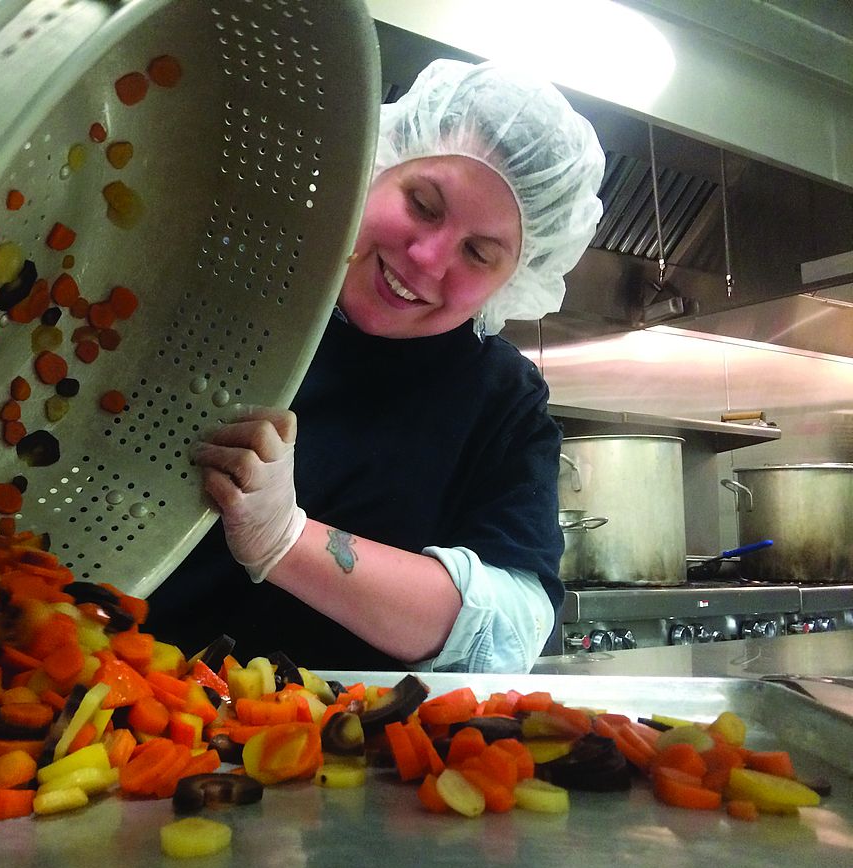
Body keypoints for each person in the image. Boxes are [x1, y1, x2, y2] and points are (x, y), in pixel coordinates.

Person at [145, 58, 606, 674]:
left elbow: (508, 627)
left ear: (513, 282)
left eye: (478, 252)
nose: (427, 259)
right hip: (112, 708)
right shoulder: (231, 294)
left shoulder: (500, 398)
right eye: (423, 204)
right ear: (377, 167)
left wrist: (285, 540)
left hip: (347, 749)